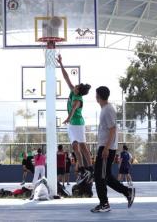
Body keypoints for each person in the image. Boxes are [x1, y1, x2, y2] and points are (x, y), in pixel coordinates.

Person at [91, 86, 135, 213]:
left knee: (100, 176)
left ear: (99, 96)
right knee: (106, 176)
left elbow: (113, 129)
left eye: (96, 94)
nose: (95, 97)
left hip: (106, 149)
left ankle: (104, 204)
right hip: (105, 147)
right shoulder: (105, 109)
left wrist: (106, 148)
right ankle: (127, 191)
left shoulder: (108, 109)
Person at [57, 54, 94, 183]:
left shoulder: (78, 99)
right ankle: (83, 168)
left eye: (77, 87)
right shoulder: (73, 91)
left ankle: (90, 168)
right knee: (75, 147)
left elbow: (73, 110)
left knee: (83, 147)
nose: (75, 86)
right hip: (72, 124)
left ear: (79, 91)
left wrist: (67, 118)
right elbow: (66, 77)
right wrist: (61, 63)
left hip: (77, 123)